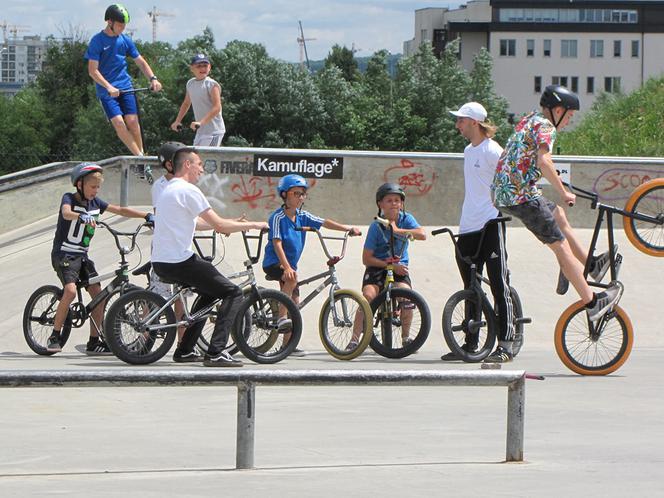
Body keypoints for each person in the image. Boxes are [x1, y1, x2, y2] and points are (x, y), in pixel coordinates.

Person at [492, 84, 622, 335]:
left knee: (558, 214)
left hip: (508, 192)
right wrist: (564, 192)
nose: (568, 122)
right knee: (560, 246)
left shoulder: (531, 119)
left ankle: (592, 265)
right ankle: (593, 302)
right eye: (569, 116)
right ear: (558, 110)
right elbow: (544, 161)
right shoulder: (547, 127)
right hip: (521, 196)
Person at [151, 146, 268, 367]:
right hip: (179, 261)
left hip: (162, 261)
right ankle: (215, 352)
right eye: (199, 164)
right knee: (233, 292)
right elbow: (218, 222)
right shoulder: (188, 190)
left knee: (210, 292)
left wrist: (229, 225)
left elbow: (198, 223)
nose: (202, 170)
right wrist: (253, 224)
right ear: (187, 165)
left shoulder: (169, 189)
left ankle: (185, 350)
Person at [47, 163, 154, 354]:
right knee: (70, 291)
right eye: (92, 187)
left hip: (82, 257)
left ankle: (94, 341)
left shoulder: (96, 203)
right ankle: (55, 335)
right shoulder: (69, 198)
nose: (95, 191)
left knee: (99, 296)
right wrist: (81, 217)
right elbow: (66, 212)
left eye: (98, 188)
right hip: (64, 254)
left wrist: (146, 215)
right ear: (80, 184)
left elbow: (120, 210)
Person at [441, 102, 516, 363]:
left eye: (461, 120)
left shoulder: (493, 150)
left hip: (491, 223)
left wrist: (503, 205)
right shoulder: (468, 150)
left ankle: (505, 344)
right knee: (470, 286)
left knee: (498, 284)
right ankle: (470, 343)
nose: (457, 125)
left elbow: (511, 178)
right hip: (468, 226)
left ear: (474, 122)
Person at [262, 174, 361, 356]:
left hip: (290, 266)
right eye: (296, 193)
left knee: (296, 303)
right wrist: (287, 267)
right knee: (292, 281)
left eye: (303, 194)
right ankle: (281, 318)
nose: (301, 197)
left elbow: (324, 222)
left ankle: (287, 346)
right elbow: (277, 244)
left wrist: (347, 229)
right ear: (284, 195)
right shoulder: (277, 217)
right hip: (275, 262)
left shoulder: (303, 216)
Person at [84, 4, 162, 177]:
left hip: (126, 87)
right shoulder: (97, 41)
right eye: (120, 25)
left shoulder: (125, 40)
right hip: (107, 92)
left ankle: (141, 161)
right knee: (120, 123)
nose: (122, 28)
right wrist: (109, 86)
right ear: (109, 22)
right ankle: (141, 158)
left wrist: (153, 78)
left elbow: (140, 61)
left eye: (124, 25)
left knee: (133, 122)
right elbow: (93, 71)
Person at [350, 183, 426, 349]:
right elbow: (366, 259)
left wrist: (397, 230)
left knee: (407, 297)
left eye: (397, 200)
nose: (394, 203)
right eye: (389, 200)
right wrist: (387, 265)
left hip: (399, 268)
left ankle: (406, 338)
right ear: (380, 204)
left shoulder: (407, 219)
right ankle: (355, 340)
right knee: (368, 297)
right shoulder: (376, 226)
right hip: (378, 267)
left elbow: (422, 235)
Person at [170, 53, 225, 147]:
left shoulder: (211, 84)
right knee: (196, 159)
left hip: (214, 131)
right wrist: (177, 121)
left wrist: (200, 122)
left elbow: (217, 107)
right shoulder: (190, 83)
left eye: (205, 65)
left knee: (206, 159)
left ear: (209, 67)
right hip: (201, 131)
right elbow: (186, 103)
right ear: (192, 68)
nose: (202, 68)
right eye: (199, 66)